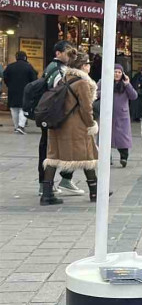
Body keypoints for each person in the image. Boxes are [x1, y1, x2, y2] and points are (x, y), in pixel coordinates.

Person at [41, 50, 100, 205]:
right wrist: (91, 124)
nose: (89, 67)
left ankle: (46, 194)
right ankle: (95, 192)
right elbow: (86, 109)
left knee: (53, 158)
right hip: (76, 126)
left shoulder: (64, 78)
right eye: (87, 64)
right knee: (88, 157)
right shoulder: (82, 83)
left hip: (58, 124)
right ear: (82, 66)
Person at [39, 41, 80, 197]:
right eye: (67, 53)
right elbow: (61, 92)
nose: (69, 56)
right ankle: (46, 185)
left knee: (51, 149)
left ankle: (52, 183)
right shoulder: (57, 70)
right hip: (55, 115)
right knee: (51, 150)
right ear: (58, 53)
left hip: (51, 114)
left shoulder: (54, 68)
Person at [98, 65, 137, 167]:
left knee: (122, 137)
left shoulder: (125, 84)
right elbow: (94, 93)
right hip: (107, 114)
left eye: (119, 72)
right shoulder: (104, 81)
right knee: (106, 136)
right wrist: (104, 93)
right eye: (115, 72)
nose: (117, 74)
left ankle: (124, 157)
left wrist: (128, 84)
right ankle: (107, 157)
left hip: (121, 115)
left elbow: (134, 96)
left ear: (122, 74)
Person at [3, 51, 37, 134]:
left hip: (12, 90)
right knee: (23, 108)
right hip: (25, 90)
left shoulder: (10, 67)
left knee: (14, 109)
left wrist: (9, 85)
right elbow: (34, 78)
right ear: (25, 57)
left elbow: (5, 77)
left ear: (16, 57)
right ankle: (21, 126)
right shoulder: (29, 67)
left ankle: (16, 127)